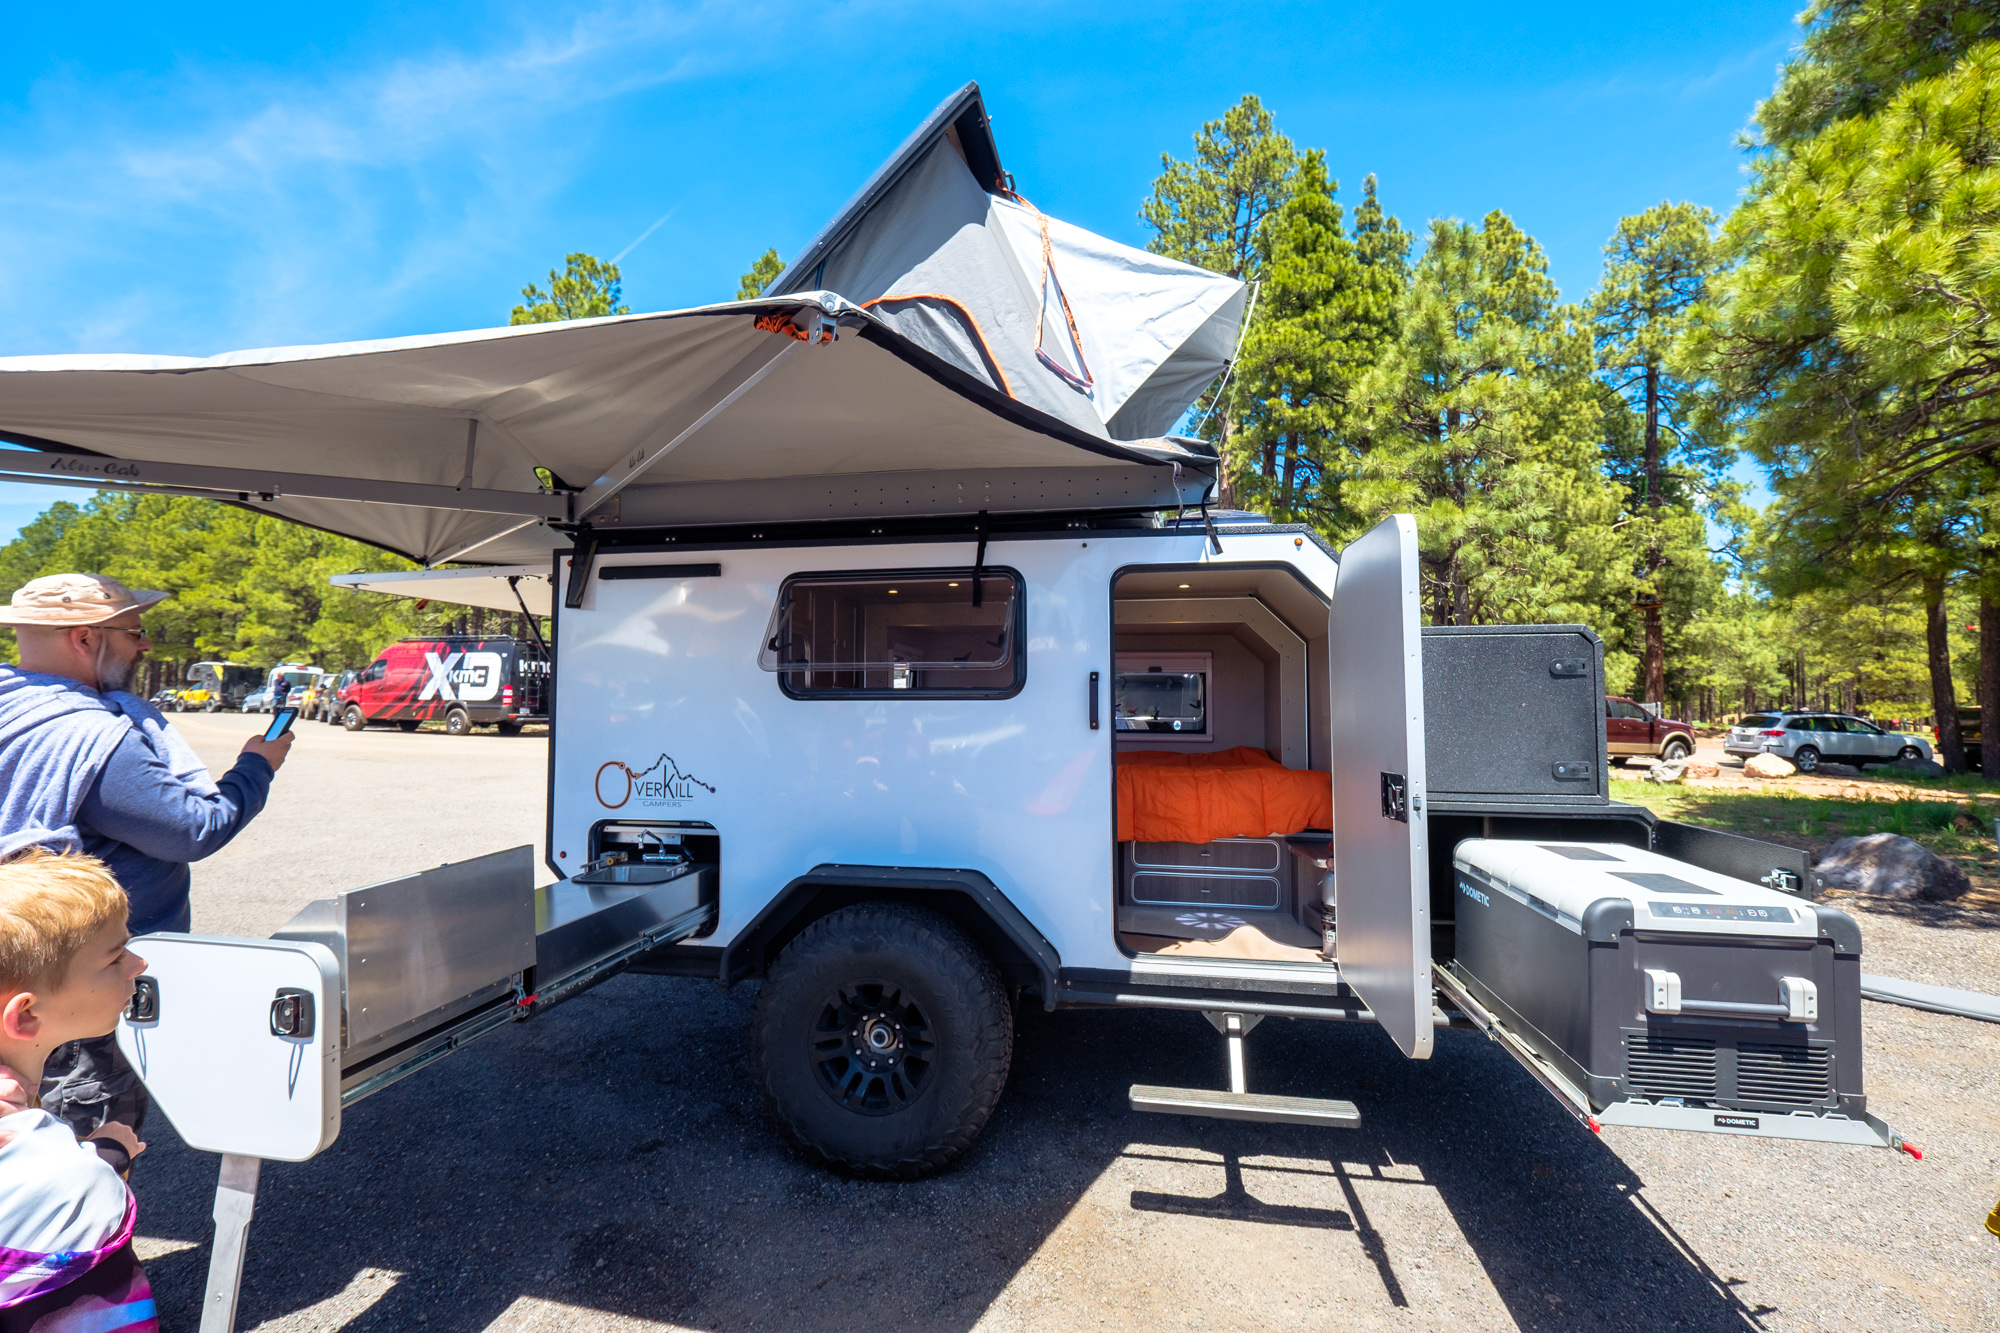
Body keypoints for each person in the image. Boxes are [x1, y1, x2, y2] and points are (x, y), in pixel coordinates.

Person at [0, 573, 292, 1160]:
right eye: (134, 632)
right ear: (85, 639)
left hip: (20, 959)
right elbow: (192, 828)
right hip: (77, 975)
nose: (146, 646)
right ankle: (86, 1247)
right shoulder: (88, 734)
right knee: (87, 1142)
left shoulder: (15, 706)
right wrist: (256, 766)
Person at [0, 848, 157, 1333]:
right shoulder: (72, 1184)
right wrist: (100, 1168)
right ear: (26, 1015)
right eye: (114, 958)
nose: (137, 962)